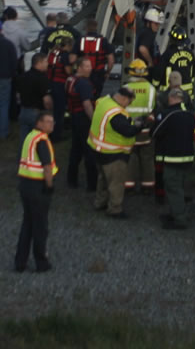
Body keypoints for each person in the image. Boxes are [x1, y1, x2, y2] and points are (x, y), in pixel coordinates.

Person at [89, 85, 147, 217]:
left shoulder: (104, 101)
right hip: (113, 154)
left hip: (97, 149)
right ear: (124, 98)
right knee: (116, 183)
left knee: (103, 178)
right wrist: (139, 126)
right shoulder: (116, 114)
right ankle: (114, 209)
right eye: (129, 102)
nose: (129, 105)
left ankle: (100, 202)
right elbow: (127, 131)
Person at [15, 110, 57, 272]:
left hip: (25, 184)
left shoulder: (30, 136)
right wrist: (50, 185)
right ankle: (41, 262)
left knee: (27, 224)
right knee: (40, 227)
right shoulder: (42, 141)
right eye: (48, 121)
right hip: (38, 187)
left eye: (52, 122)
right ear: (39, 123)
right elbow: (47, 167)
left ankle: (20, 261)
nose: (51, 124)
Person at [153, 87, 195, 229]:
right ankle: (175, 213)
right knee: (179, 187)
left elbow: (156, 133)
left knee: (173, 187)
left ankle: (179, 219)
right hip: (187, 156)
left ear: (171, 98)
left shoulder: (168, 114)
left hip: (173, 157)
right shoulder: (189, 114)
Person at [120, 58, 157, 193]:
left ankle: (129, 185)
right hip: (146, 130)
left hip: (129, 129)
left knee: (130, 157)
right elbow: (153, 108)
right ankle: (147, 186)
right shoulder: (151, 89)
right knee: (147, 158)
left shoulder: (125, 88)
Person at [65, 57, 99, 190]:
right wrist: (94, 120)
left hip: (74, 117)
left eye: (90, 66)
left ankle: (71, 179)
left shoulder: (70, 80)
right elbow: (87, 105)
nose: (90, 68)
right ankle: (92, 184)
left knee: (76, 149)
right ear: (79, 68)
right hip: (83, 118)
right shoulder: (84, 83)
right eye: (86, 66)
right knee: (89, 152)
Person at [16, 51, 53, 132]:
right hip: (36, 114)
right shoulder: (42, 78)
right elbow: (47, 100)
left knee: (26, 141)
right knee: (39, 139)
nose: (48, 64)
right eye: (46, 61)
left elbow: (18, 95)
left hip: (23, 111)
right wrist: (49, 112)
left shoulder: (23, 76)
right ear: (39, 63)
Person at [163, 24, 195, 100]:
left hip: (172, 89)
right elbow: (194, 69)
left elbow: (160, 70)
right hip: (188, 90)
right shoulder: (190, 53)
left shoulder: (168, 53)